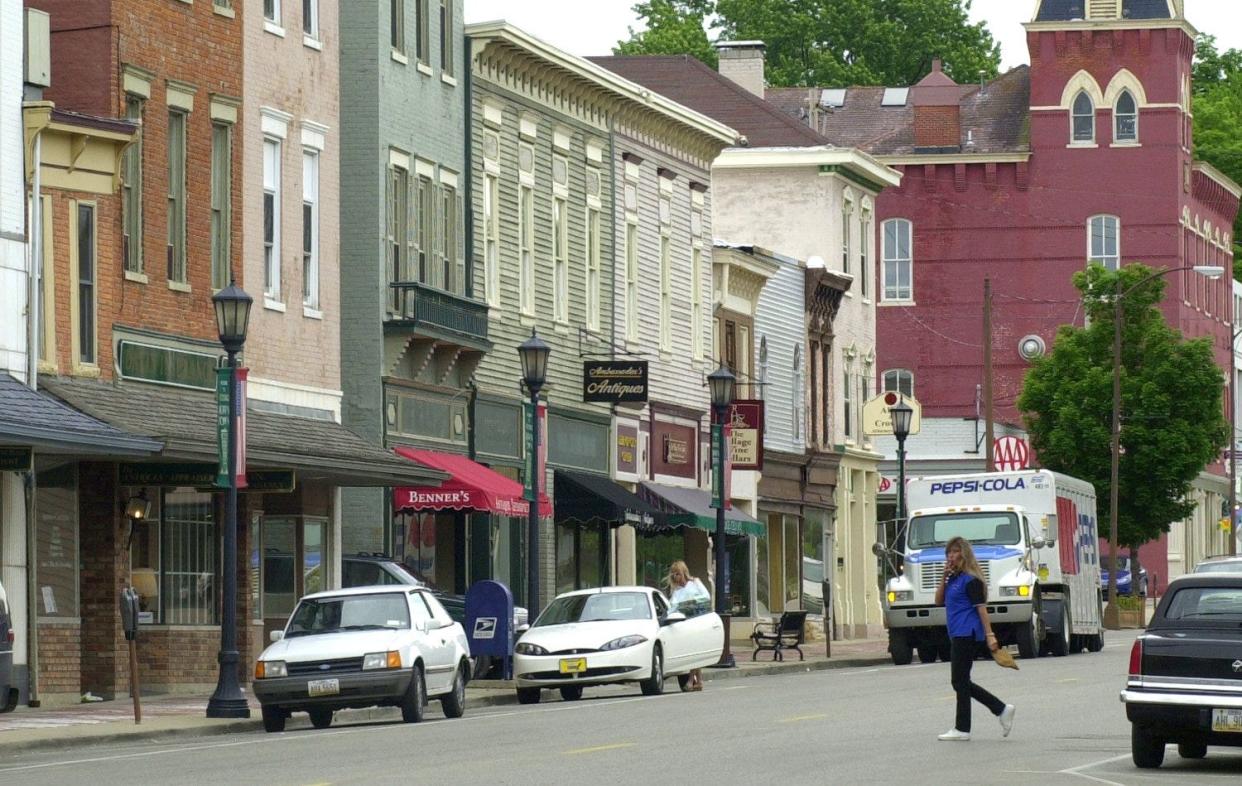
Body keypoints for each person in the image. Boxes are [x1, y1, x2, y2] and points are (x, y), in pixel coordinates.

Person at [934, 536, 1016, 741]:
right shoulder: (954, 578)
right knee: (961, 681)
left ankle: (964, 728)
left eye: (955, 552)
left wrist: (990, 635)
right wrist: (944, 577)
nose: (951, 556)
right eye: (948, 553)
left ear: (964, 554)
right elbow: (938, 601)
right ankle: (1001, 709)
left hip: (967, 633)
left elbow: (982, 610)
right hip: (957, 633)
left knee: (959, 681)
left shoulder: (972, 581)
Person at [666, 560, 708, 691]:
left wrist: (692, 602)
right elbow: (672, 607)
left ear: (683, 572)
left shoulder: (695, 583)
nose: (675, 577)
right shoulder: (676, 591)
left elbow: (706, 597)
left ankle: (691, 681)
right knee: (694, 650)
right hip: (685, 622)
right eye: (673, 575)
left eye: (677, 574)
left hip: (697, 619)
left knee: (695, 649)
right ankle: (699, 680)